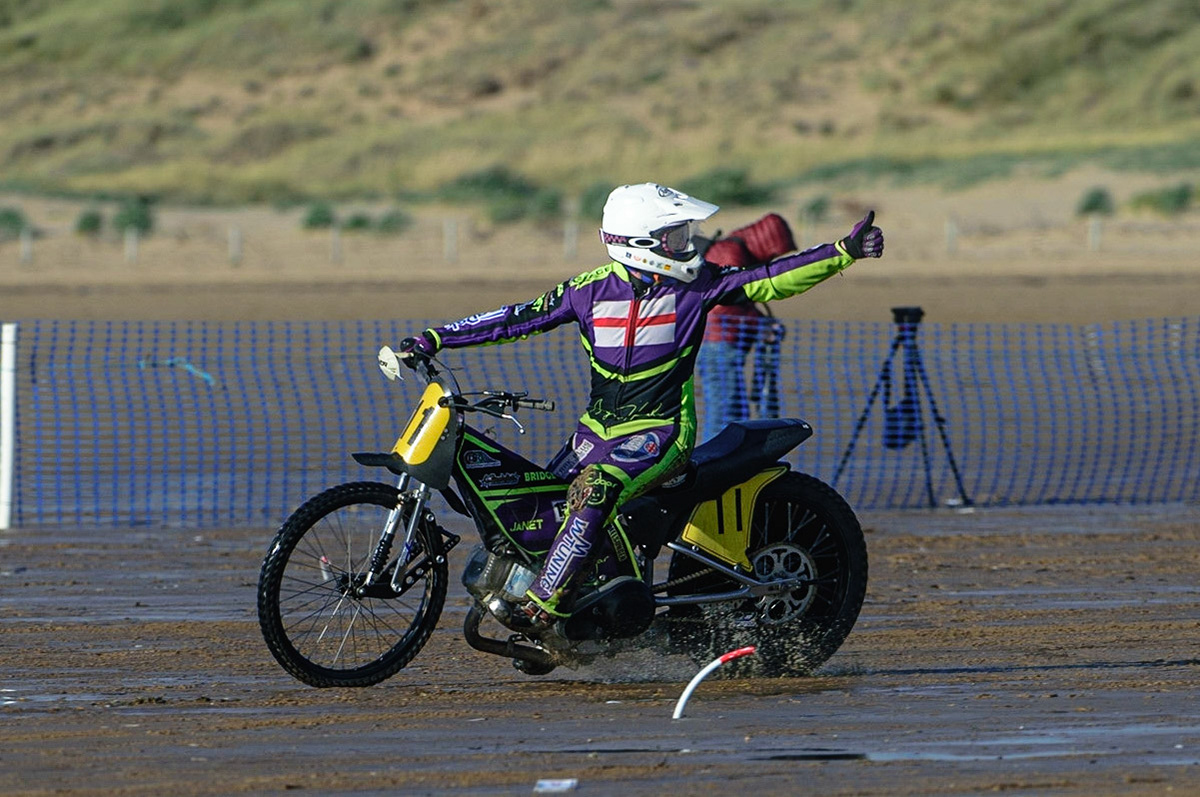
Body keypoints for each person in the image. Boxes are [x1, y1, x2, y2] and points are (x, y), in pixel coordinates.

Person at [399, 183, 884, 629]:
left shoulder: (698, 287)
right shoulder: (587, 291)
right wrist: (436, 337)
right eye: (674, 236)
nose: (686, 244)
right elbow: (514, 319)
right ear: (639, 242)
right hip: (595, 433)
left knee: (594, 492)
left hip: (663, 433)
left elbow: (773, 278)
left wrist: (843, 252)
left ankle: (544, 608)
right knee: (543, 510)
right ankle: (584, 611)